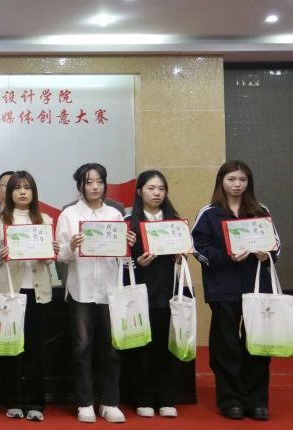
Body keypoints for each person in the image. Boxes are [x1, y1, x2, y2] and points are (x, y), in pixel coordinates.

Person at [193, 160, 280, 421]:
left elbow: (276, 245)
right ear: (221, 181)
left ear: (248, 183)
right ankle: (230, 399)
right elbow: (198, 248)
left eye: (242, 180)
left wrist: (267, 254)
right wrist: (227, 256)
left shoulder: (260, 210)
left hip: (257, 287)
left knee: (258, 344)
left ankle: (257, 400)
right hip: (223, 288)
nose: (237, 184)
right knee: (226, 345)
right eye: (232, 179)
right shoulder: (209, 213)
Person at [56, 163, 136, 423]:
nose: (94, 187)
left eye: (99, 181)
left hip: (109, 289)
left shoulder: (115, 214)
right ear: (79, 185)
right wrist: (71, 245)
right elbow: (60, 256)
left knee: (111, 348)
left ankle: (110, 402)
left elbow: (122, 257)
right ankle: (85, 402)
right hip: (80, 289)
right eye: (89, 182)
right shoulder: (69, 215)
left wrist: (128, 245)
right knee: (82, 347)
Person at [0, 171, 59, 422]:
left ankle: (36, 403)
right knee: (11, 348)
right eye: (17, 188)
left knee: (36, 351)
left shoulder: (45, 220)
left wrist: (51, 253)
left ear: (34, 192)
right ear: (10, 193)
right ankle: (13, 401)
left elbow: (50, 260)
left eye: (27, 187)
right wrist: (2, 255)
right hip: (10, 293)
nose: (23, 192)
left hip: (38, 293)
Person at [121, 170, 187, 419]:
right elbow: (120, 261)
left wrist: (180, 256)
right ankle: (143, 397)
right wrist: (137, 262)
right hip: (139, 292)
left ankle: (166, 398)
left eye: (161, 188)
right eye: (151, 188)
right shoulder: (129, 221)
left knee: (165, 346)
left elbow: (183, 256)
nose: (157, 193)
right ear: (140, 191)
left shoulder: (174, 221)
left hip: (167, 291)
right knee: (141, 347)